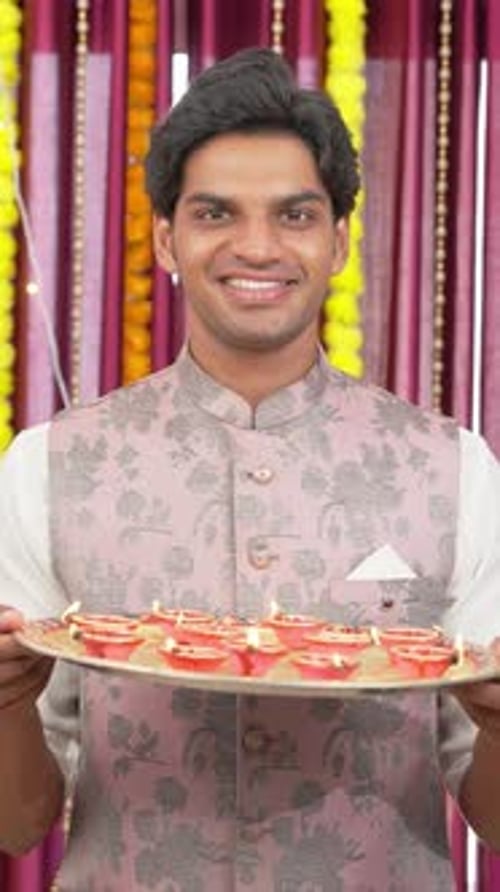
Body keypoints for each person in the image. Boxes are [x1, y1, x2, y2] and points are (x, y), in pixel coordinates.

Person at [1, 46, 500, 891]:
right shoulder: (50, 464)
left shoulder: (451, 468)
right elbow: (17, 824)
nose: (257, 246)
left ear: (340, 239)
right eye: (217, 213)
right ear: (167, 237)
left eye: (296, 215)